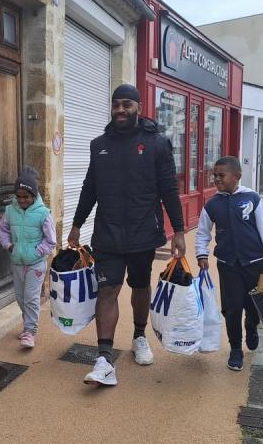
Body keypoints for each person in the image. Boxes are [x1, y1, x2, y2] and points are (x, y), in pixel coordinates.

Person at [68, 84, 185, 386]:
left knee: (140, 285)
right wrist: (77, 223)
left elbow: (169, 189)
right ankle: (105, 357)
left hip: (143, 231)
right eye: (116, 105)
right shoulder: (99, 144)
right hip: (107, 233)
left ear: (138, 107)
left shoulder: (157, 144)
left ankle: (139, 336)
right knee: (107, 290)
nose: (120, 110)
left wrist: (179, 230)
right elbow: (89, 187)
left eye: (126, 105)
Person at [195, 156, 263, 371]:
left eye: (221, 175)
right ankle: (235, 348)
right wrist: (202, 254)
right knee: (231, 308)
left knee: (253, 305)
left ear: (237, 176)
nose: (216, 179)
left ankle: (251, 327)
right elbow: (203, 233)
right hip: (228, 264)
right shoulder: (212, 204)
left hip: (254, 263)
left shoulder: (252, 199)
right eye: (214, 175)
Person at [0, 166, 57, 348]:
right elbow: (2, 229)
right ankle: (27, 326)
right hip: (17, 262)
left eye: (26, 196)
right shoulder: (10, 211)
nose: (22, 200)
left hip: (36, 264)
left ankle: (30, 331)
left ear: (34, 195)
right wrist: (9, 246)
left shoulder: (43, 214)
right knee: (20, 297)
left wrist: (37, 252)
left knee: (31, 297)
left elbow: (51, 241)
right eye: (19, 196)